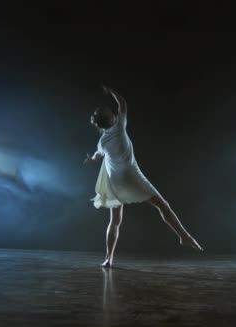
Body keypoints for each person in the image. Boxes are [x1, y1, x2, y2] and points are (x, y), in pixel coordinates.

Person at [85, 85, 203, 267]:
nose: (115, 113)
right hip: (131, 175)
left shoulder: (102, 141)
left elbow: (97, 155)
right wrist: (112, 91)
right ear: (112, 119)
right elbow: (122, 103)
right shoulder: (119, 127)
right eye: (111, 112)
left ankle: (109, 258)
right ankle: (184, 236)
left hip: (115, 179)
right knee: (163, 205)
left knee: (115, 220)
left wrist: (91, 160)